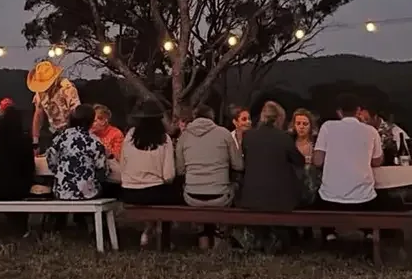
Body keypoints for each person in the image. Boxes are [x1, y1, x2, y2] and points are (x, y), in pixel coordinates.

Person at [313, 94, 386, 249]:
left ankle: (329, 234)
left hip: (330, 200)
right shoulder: (371, 131)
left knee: (318, 195)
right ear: (358, 110)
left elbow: (317, 161)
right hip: (363, 201)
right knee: (381, 197)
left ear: (339, 112)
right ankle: (369, 233)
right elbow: (378, 161)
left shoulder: (327, 127)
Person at [235, 101, 303, 252]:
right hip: (279, 199)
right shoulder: (284, 138)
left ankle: (262, 239)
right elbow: (299, 161)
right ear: (279, 118)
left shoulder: (249, 136)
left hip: (251, 196)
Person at [175, 104, 243, 249]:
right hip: (220, 197)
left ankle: (203, 238)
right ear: (212, 118)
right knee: (233, 187)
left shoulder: (184, 136)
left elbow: (180, 170)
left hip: (192, 197)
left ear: (195, 118)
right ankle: (220, 234)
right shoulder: (224, 134)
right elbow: (239, 166)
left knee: (198, 191)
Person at [119, 103, 178, 249]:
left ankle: (148, 230)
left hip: (129, 192)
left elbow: (123, 164)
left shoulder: (130, 137)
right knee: (172, 192)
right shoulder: (164, 139)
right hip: (154, 192)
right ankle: (164, 238)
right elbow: (169, 175)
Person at [46, 103, 106, 200]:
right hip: (88, 193)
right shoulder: (94, 141)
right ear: (90, 121)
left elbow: (51, 162)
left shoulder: (59, 139)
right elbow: (102, 169)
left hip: (61, 192)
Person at [28, 61, 80, 151]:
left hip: (72, 132)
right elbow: (38, 115)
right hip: (54, 133)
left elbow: (76, 113)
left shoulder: (67, 90)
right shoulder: (39, 93)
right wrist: (35, 141)